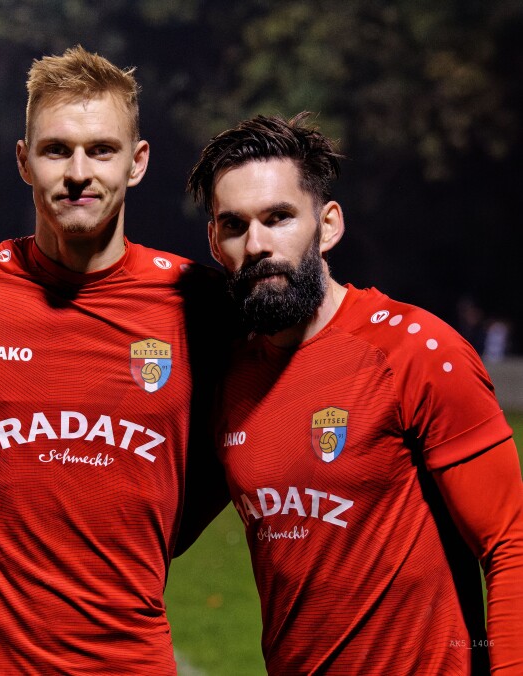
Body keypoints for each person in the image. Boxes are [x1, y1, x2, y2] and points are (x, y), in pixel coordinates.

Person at [0, 46, 231, 673]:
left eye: (102, 150)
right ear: (24, 161)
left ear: (137, 163)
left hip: (128, 658)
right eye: (57, 150)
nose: (79, 171)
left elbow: (237, 454)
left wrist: (158, 535)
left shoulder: (199, 301)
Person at [186, 113, 523, 674]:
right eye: (235, 225)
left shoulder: (416, 351)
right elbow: (152, 530)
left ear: (330, 224)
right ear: (216, 244)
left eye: (279, 217)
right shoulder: (230, 379)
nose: (259, 243)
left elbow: (510, 546)